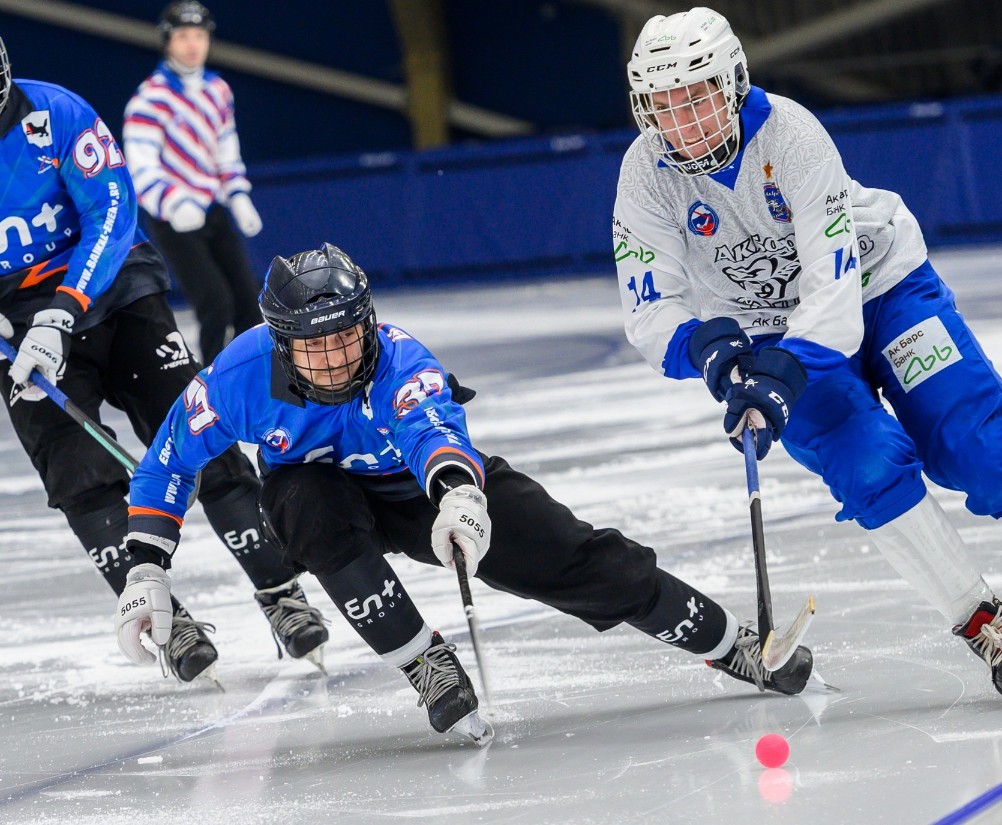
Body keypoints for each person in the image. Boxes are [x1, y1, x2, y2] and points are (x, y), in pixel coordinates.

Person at [612, 7, 1002, 702]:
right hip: (767, 335)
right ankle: (979, 617)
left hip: (880, 287)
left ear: (733, 83)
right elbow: (649, 307)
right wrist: (710, 351)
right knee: (867, 467)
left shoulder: (791, 134)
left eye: (698, 96)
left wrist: (776, 377)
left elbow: (831, 287)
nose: (685, 121)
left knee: (984, 449)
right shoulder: (645, 174)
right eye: (665, 104)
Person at [113, 243, 814, 745]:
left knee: (585, 561)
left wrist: (460, 498)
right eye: (315, 346)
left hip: (423, 491)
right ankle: (425, 662)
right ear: (280, 343)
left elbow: (433, 434)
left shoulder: (401, 359)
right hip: (324, 495)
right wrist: (146, 564)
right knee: (300, 502)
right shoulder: (235, 378)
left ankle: (734, 645)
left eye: (348, 337)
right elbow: (168, 464)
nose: (337, 358)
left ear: (369, 321)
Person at [0, 35, 327, 683]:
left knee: (198, 436)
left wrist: (61, 311)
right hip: (19, 326)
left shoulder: (55, 115)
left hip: (115, 292)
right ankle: (164, 617)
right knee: (80, 477)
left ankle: (278, 588)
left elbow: (110, 212)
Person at [123, 1, 264, 366]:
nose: (192, 44)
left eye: (199, 35)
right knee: (215, 303)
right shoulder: (148, 98)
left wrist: (238, 195)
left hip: (213, 210)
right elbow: (141, 166)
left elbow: (225, 150)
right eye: (183, 35)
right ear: (167, 41)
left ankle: (262, 382)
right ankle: (215, 387)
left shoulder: (218, 90)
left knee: (251, 303)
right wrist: (172, 202)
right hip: (174, 218)